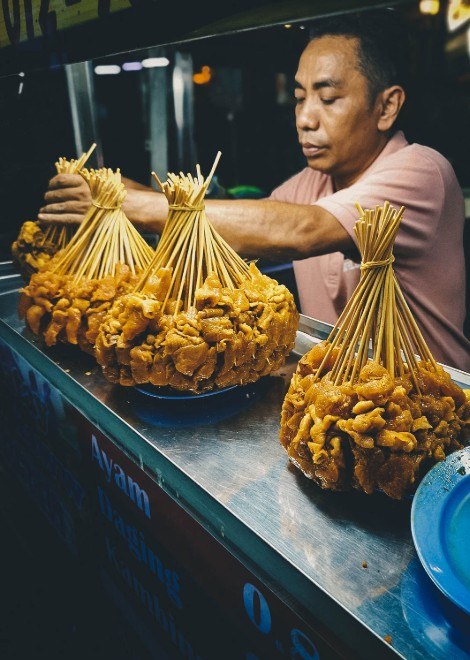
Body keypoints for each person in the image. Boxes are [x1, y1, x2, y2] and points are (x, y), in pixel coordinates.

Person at [37, 9, 470, 370]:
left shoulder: (421, 171)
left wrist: (132, 204)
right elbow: (252, 225)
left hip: (432, 408)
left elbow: (300, 230)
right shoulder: (310, 183)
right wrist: (128, 191)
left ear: (386, 106)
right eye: (300, 97)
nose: (305, 118)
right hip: (336, 391)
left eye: (328, 97)